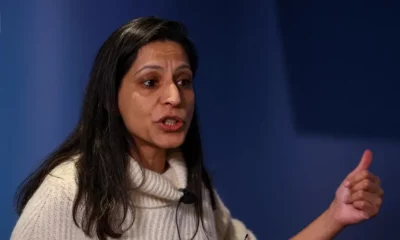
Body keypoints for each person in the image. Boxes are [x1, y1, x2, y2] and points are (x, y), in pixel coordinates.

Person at [11, 16, 384, 240]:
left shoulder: (190, 187)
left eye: (184, 81)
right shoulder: (67, 193)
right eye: (150, 82)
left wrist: (336, 215)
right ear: (111, 97)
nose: (174, 97)